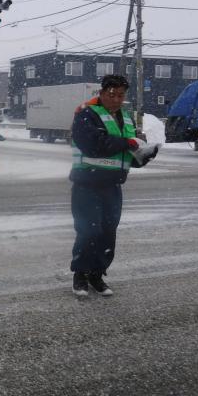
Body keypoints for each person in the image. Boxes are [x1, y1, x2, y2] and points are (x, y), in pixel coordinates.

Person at [69, 75, 160, 297]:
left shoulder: (126, 119)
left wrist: (144, 155)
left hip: (112, 186)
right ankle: (80, 275)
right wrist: (127, 142)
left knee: (108, 232)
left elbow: (125, 156)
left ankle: (97, 274)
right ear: (102, 93)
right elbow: (92, 145)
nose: (117, 99)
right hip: (87, 184)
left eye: (121, 95)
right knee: (89, 231)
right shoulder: (86, 114)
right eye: (112, 94)